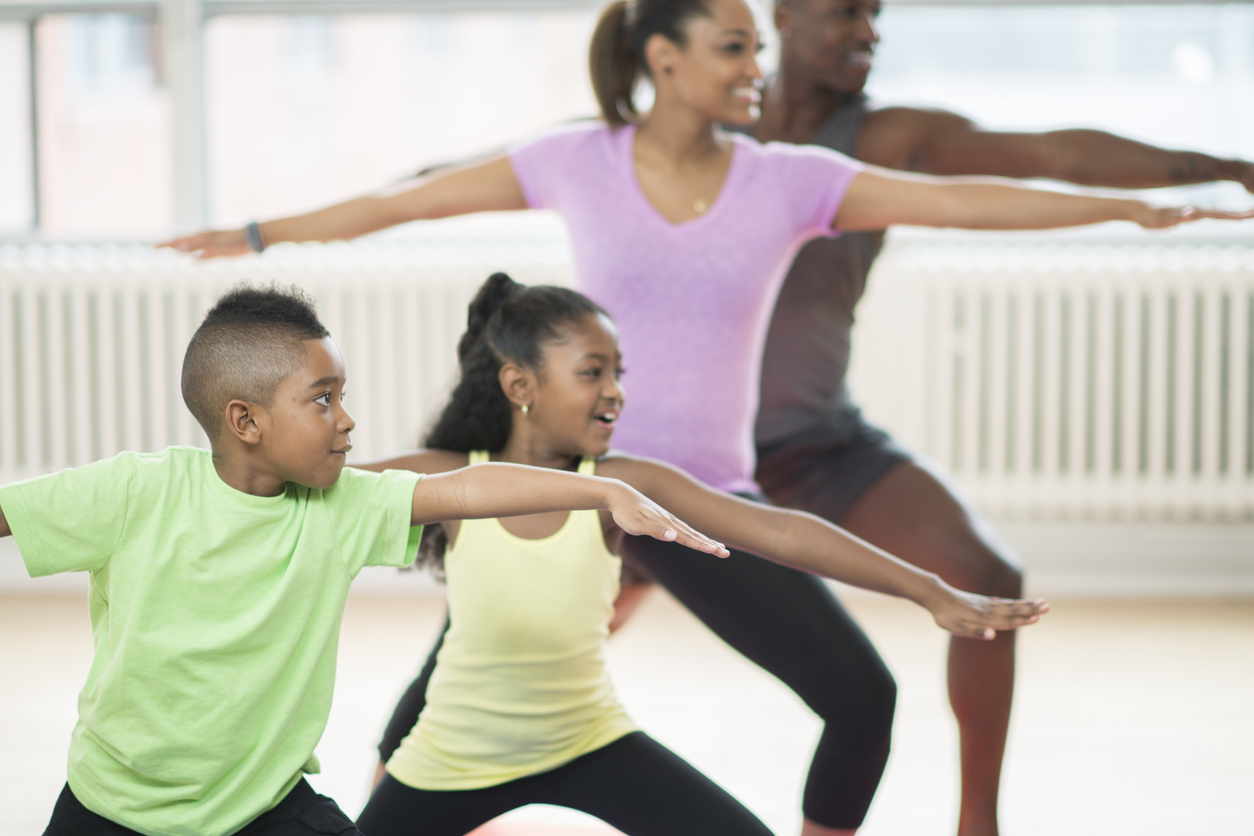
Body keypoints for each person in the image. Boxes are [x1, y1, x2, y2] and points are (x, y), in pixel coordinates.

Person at [159, 1, 1253, 833]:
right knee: (435, 713)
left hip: (695, 496)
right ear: (663, 58)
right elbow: (409, 199)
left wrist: (1131, 206)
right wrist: (256, 232)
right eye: (733, 46)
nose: (755, 68)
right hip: (576, 490)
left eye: (756, 49)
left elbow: (967, 199)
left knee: (858, 696)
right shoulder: (574, 159)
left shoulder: (791, 180)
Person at [736, 2, 1254, 834]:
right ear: (785, 16)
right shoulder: (701, 130)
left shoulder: (883, 140)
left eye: (876, 15)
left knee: (988, 579)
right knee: (568, 602)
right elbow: (538, 154)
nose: (868, 30)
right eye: (845, 13)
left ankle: (980, 822)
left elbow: (1049, 153)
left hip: (820, 443)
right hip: (691, 460)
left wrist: (1225, 162)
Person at [0, 283, 727, 836]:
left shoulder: (340, 507)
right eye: (323, 400)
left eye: (342, 395)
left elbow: (468, 487)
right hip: (110, 807)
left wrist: (602, 493)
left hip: (266, 807)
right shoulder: (135, 491)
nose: (347, 419)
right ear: (245, 420)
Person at [351, 272, 1047, 836]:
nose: (616, 390)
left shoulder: (624, 483)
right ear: (520, 386)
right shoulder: (449, 476)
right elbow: (321, 491)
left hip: (587, 741)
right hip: (452, 757)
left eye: (618, 372)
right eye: (593, 372)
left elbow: (781, 533)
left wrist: (928, 590)